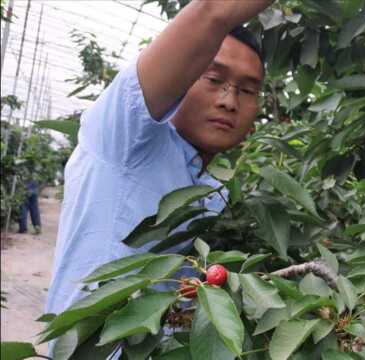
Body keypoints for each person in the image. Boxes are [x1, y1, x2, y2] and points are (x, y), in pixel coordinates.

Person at [45, 0, 273, 322]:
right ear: (184, 76)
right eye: (212, 79)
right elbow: (211, 10)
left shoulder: (208, 191)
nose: (229, 101)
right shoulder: (123, 135)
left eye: (247, 90)